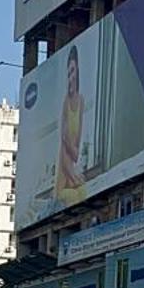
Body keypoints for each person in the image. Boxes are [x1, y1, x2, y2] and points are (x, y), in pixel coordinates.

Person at [55, 44, 86, 205]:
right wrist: (73, 176)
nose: (70, 77)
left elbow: (76, 149)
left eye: (72, 71)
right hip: (64, 177)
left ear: (78, 71)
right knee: (76, 197)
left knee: (84, 192)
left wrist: (76, 176)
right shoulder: (65, 103)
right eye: (68, 73)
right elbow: (65, 147)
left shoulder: (80, 101)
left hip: (72, 173)